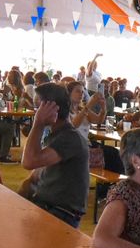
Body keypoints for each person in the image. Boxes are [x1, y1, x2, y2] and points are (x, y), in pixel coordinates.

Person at [20, 82, 89, 227]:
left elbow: (29, 161)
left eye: (38, 108)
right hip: (47, 206)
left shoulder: (70, 138)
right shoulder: (57, 135)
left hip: (61, 213)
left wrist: (38, 123)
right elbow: (36, 174)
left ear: (52, 108)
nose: (36, 112)